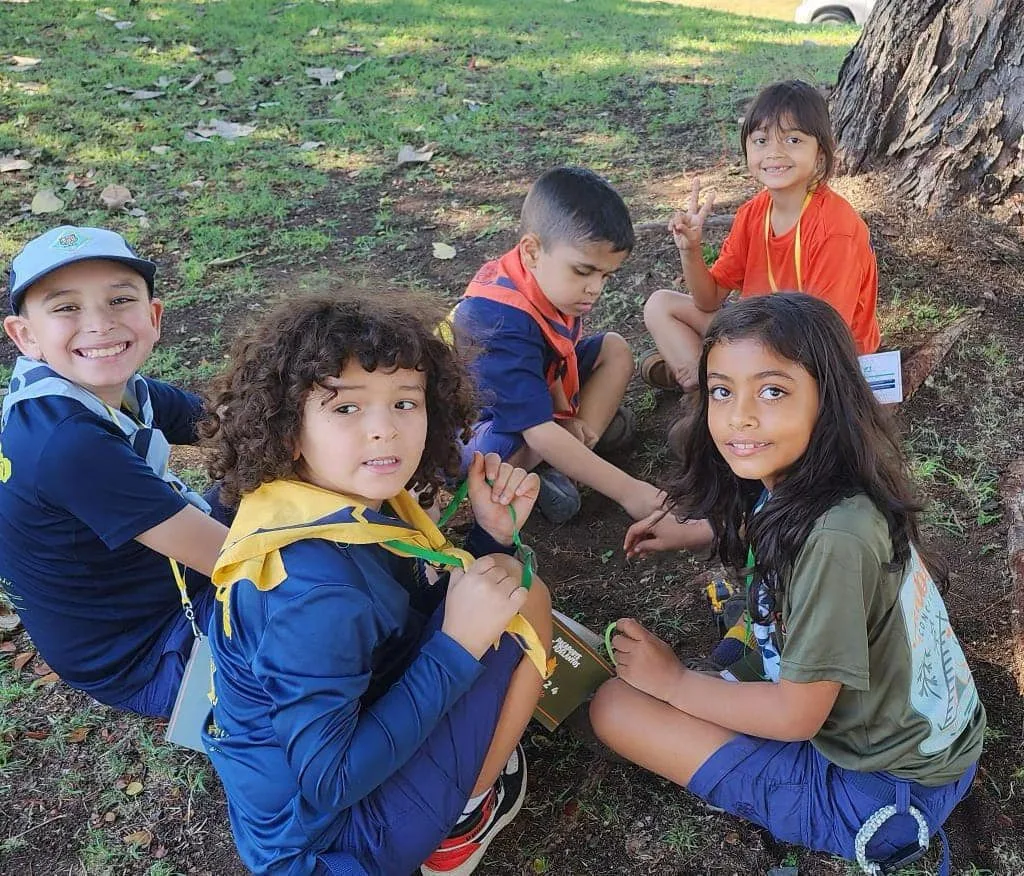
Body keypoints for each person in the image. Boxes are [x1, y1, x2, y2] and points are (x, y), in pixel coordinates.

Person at [592, 293, 984, 876]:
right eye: (722, 390)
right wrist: (695, 531)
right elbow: (782, 525)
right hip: (933, 743)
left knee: (615, 707)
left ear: (829, 401)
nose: (739, 415)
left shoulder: (836, 542)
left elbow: (798, 717)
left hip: (883, 796)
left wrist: (672, 682)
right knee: (716, 672)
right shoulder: (831, 485)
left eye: (772, 390)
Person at [199, 293, 552, 876]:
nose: (385, 430)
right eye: (345, 409)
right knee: (519, 594)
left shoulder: (322, 500)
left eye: (405, 403)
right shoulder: (316, 592)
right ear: (289, 427)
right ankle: (461, 822)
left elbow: (398, 619)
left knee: (498, 574)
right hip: (333, 847)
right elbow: (330, 781)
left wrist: (489, 535)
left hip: (300, 810)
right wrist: (457, 646)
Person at [0, 225, 228, 716]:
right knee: (325, 592)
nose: (99, 323)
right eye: (66, 307)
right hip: (149, 655)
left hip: (163, 589)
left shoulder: (121, 392)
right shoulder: (67, 444)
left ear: (153, 316)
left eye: (119, 300)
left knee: (282, 484)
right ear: (26, 336)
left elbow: (233, 429)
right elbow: (237, 562)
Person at [451, 166, 663, 524]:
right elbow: (533, 428)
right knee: (504, 452)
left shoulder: (545, 280)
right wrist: (632, 492)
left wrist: (564, 418)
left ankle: (569, 463)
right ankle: (526, 480)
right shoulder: (497, 321)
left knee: (614, 349)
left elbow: (553, 362)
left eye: (605, 276)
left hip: (535, 399)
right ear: (532, 251)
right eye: (583, 272)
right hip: (483, 426)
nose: (595, 288)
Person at [642, 80, 880, 393]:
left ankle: (713, 384)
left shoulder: (836, 230)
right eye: (761, 140)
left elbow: (825, 337)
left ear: (820, 152)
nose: (775, 153)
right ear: (747, 149)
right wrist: (691, 249)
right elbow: (709, 299)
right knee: (660, 305)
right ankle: (708, 387)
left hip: (818, 356)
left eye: (793, 140)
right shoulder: (753, 213)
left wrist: (747, 349)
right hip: (757, 335)